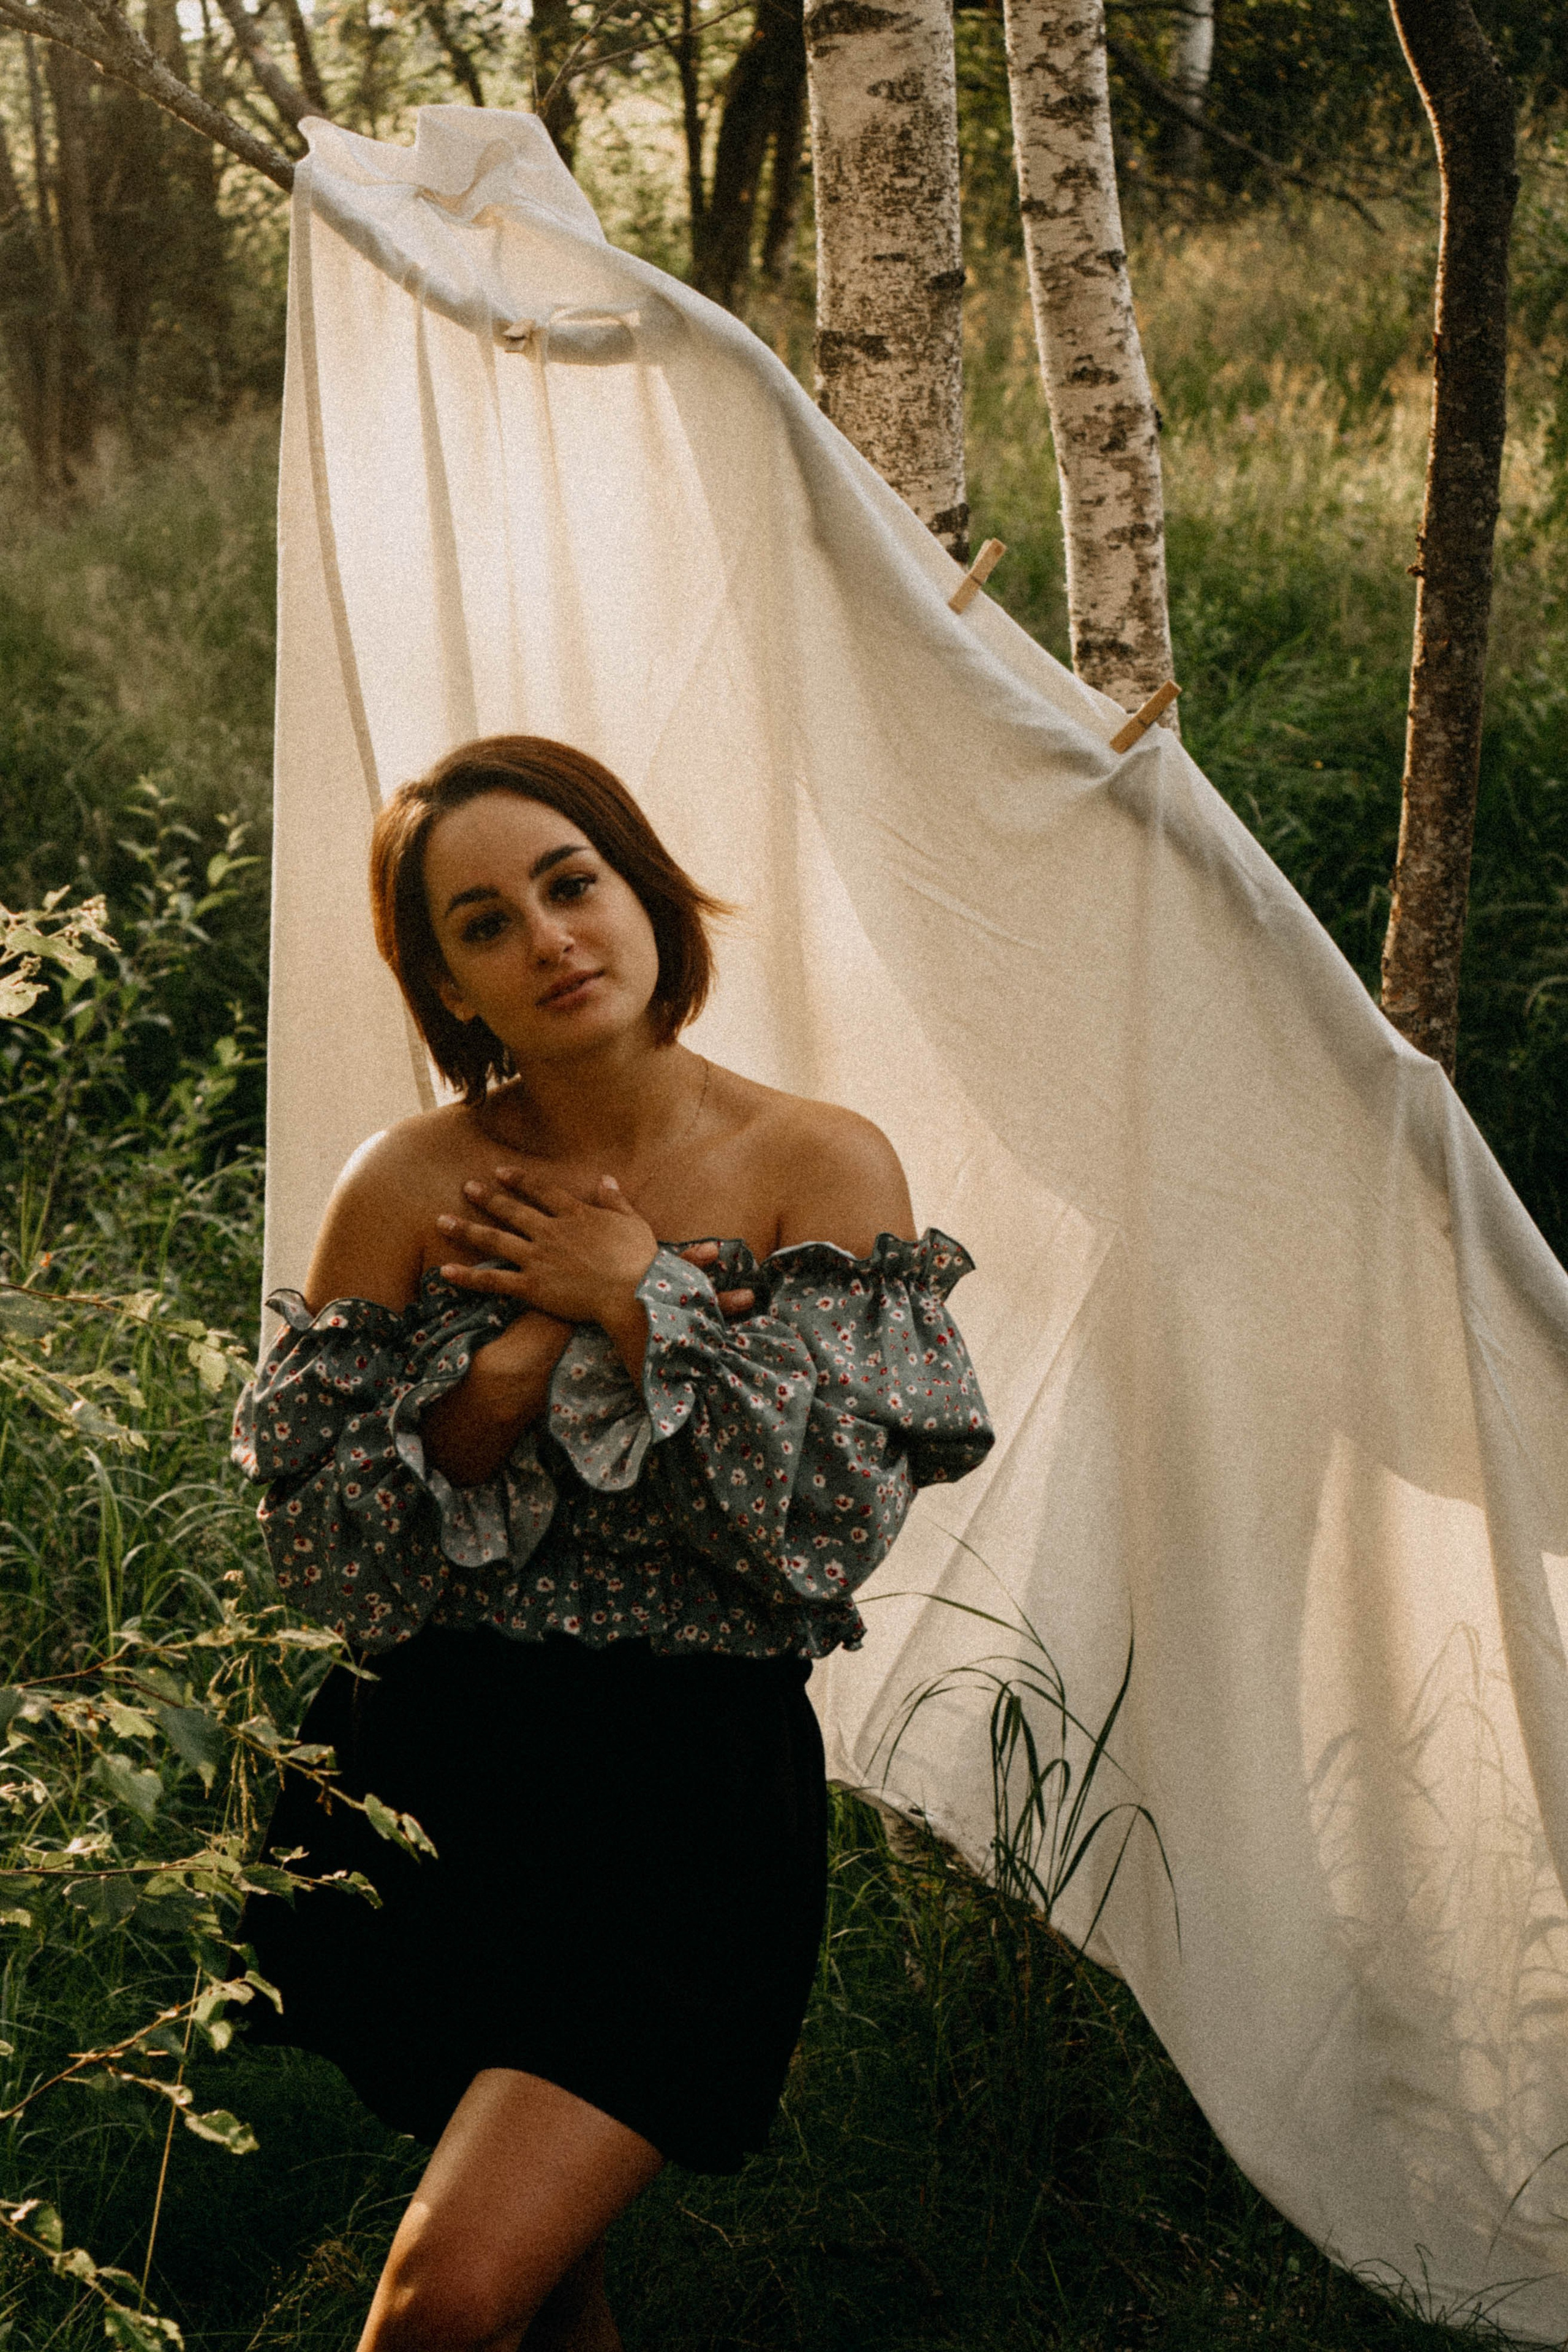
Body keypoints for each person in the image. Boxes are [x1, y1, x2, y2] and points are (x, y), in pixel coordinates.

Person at [232, 734, 995, 2352]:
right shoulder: (410, 1184)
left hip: (683, 1807)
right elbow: (329, 1559)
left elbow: (822, 1533)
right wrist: (512, 1366)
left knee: (443, 2310)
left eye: (570, 884)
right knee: (543, 2299)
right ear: (449, 986)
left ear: (643, 890)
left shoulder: (818, 1163)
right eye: (486, 922)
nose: (552, 938)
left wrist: (640, 1293)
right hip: (434, 1775)